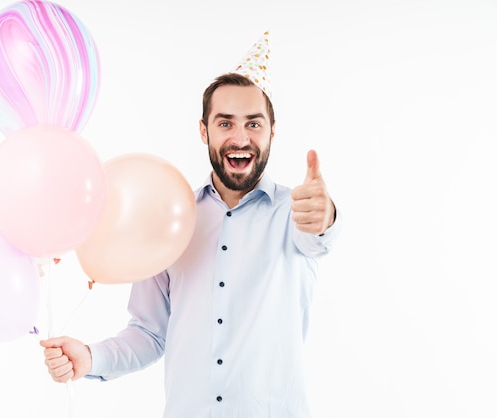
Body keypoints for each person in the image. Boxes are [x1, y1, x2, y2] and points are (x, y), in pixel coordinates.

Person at [40, 32, 341, 417]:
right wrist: (90, 357)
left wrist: (325, 214)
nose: (240, 137)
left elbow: (321, 234)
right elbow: (149, 333)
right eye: (225, 123)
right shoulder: (172, 218)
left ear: (271, 132)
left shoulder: (295, 212)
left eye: (253, 124)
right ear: (204, 131)